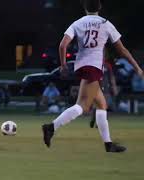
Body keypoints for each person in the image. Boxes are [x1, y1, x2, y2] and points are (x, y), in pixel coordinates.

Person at [41, 0, 144, 153]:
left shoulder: (78, 23)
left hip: (82, 65)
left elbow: (63, 45)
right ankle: (51, 127)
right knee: (82, 106)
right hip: (94, 67)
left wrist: (63, 65)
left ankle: (108, 144)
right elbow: (122, 50)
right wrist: (137, 68)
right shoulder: (106, 24)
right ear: (100, 7)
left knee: (102, 105)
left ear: (84, 7)